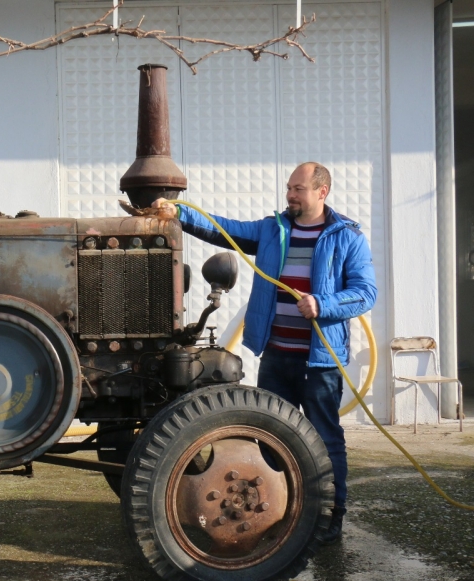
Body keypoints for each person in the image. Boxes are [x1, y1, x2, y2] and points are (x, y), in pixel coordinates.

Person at [154, 162, 377, 544]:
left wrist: (323, 305)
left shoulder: (347, 237)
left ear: (322, 192)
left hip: (320, 362)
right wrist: (179, 212)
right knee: (274, 439)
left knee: (325, 438)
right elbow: (223, 229)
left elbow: (364, 292)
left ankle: (330, 517)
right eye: (289, 187)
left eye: (299, 189)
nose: (290, 195)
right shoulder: (274, 230)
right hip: (277, 355)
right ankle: (283, 513)